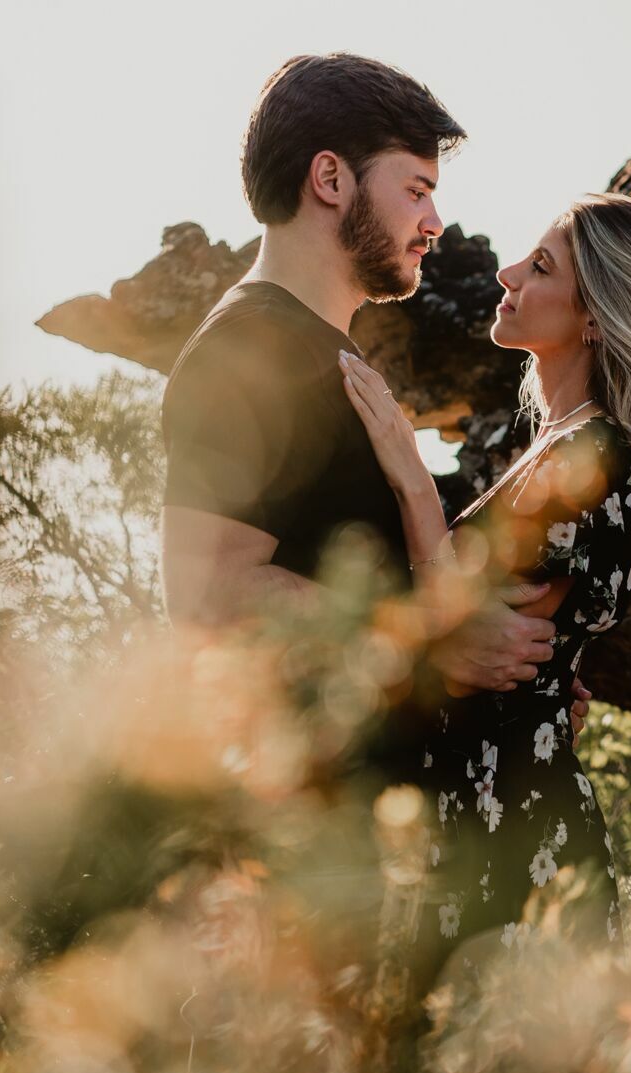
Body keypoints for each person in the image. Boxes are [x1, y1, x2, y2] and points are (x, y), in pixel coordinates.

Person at [339, 192, 631, 1063]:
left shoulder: (593, 457)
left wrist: (410, 476)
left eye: (542, 268)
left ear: (597, 320)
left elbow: (474, 641)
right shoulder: (555, 445)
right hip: (479, 821)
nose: (508, 276)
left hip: (510, 843)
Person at [160, 52, 587, 723]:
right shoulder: (248, 349)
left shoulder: (318, 350)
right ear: (330, 178)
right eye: (416, 190)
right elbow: (204, 593)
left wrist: (515, 689)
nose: (435, 222)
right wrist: (429, 642)